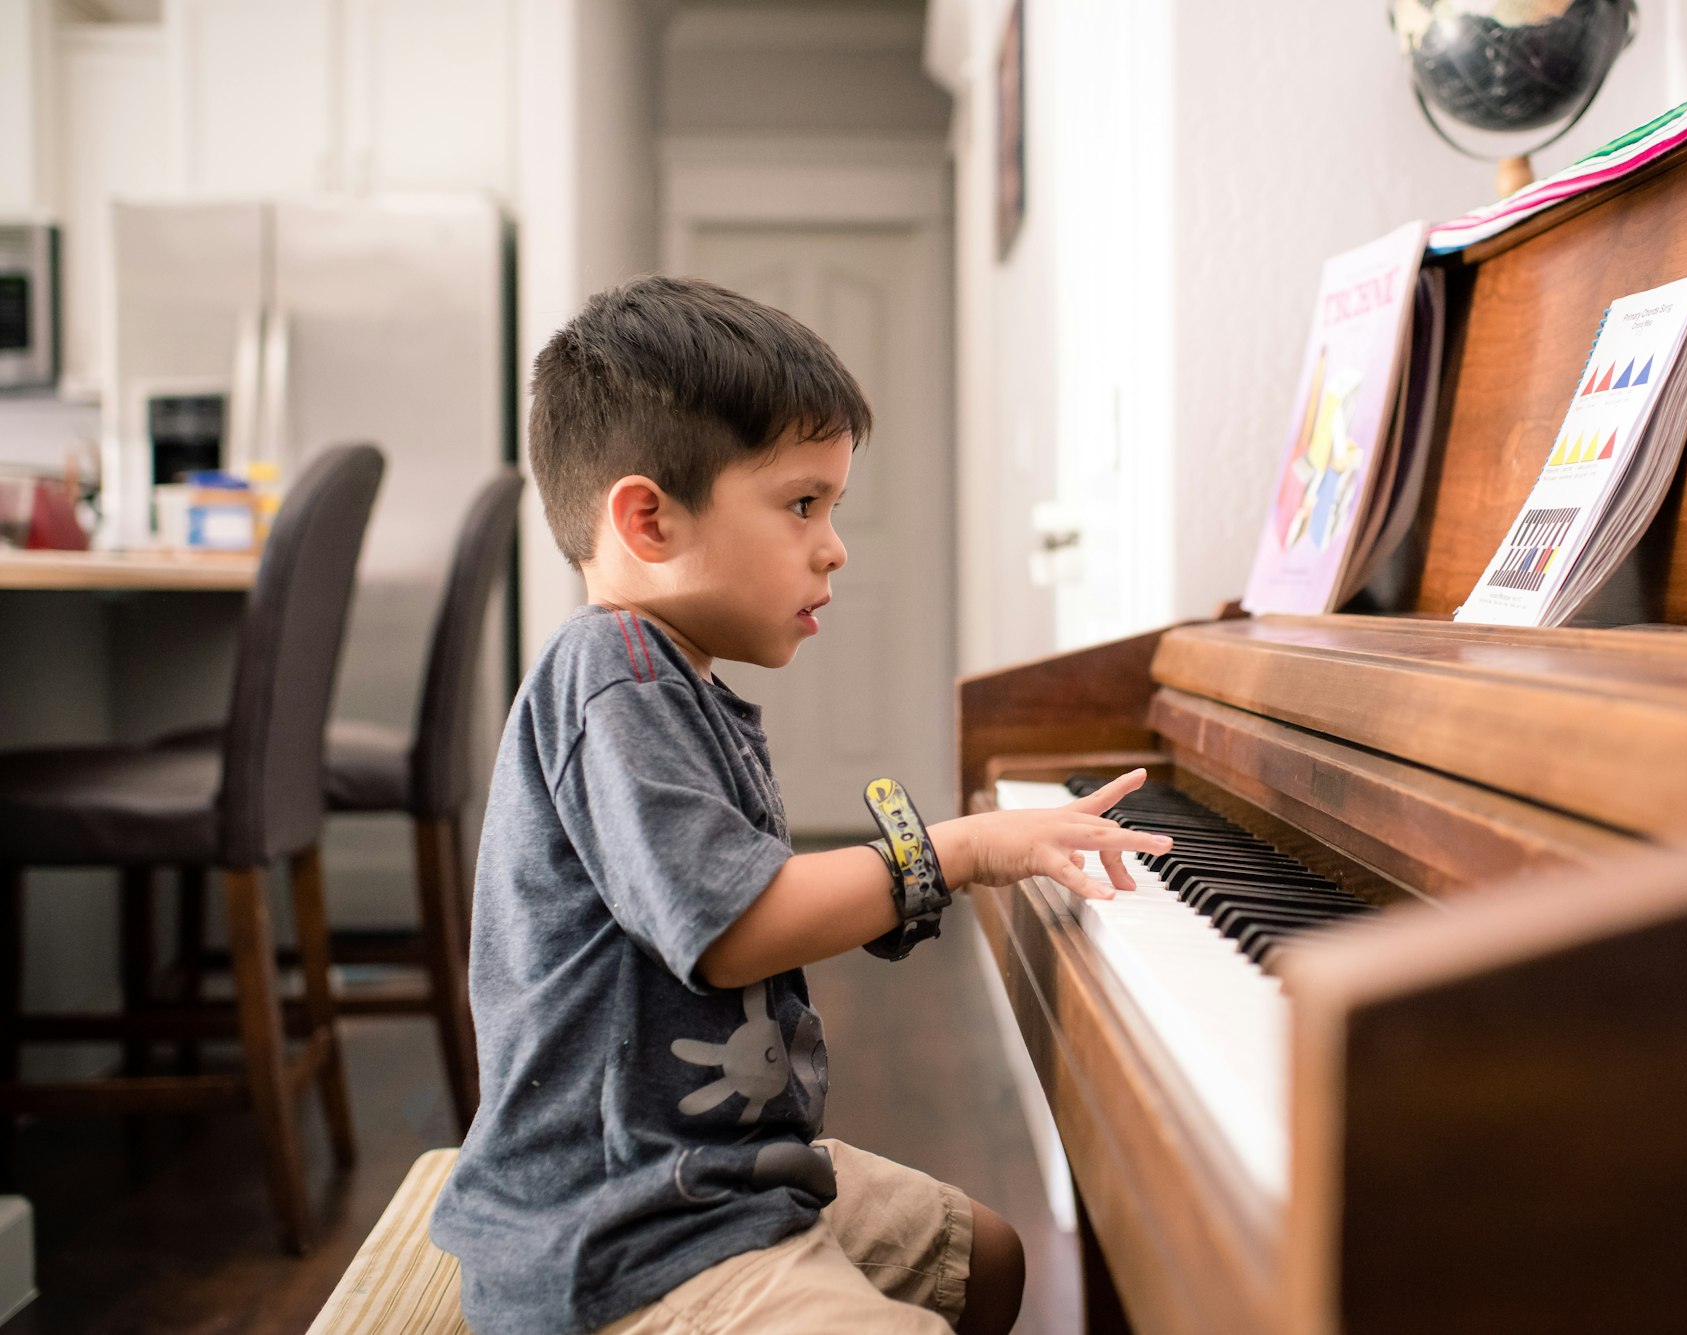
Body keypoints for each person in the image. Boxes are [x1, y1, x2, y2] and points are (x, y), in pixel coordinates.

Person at [430, 276, 1171, 1335]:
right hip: (616, 1235)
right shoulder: (613, 680)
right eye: (800, 504)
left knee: (982, 1260)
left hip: (717, 1181)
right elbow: (735, 929)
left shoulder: (669, 681)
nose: (833, 546)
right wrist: (957, 851)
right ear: (647, 518)